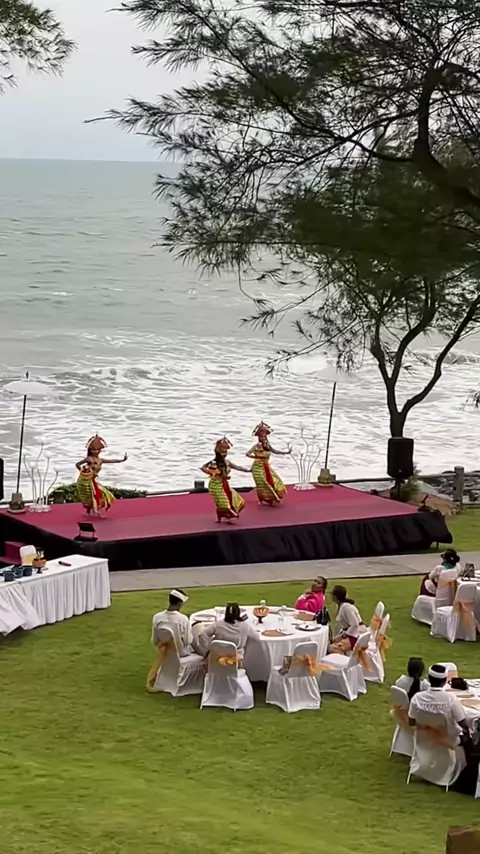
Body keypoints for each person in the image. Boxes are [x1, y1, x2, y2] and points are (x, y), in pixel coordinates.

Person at [408, 663, 470, 747]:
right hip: (449, 741)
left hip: (424, 740)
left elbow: (411, 721)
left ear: (429, 678)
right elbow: (462, 722)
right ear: (445, 680)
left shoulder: (417, 698)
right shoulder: (451, 698)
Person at [201, 437, 251, 522]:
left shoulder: (227, 462)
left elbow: (238, 467)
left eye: (225, 452)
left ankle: (226, 514)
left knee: (233, 498)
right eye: (222, 452)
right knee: (222, 500)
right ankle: (230, 513)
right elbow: (203, 467)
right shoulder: (214, 462)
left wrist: (248, 470)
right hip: (215, 484)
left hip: (224, 483)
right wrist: (211, 472)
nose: (224, 454)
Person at [76, 434, 127, 515]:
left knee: (101, 493)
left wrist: (121, 460)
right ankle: (90, 510)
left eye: (98, 449)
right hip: (85, 480)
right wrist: (84, 471)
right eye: (94, 450)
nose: (96, 451)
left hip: (93, 480)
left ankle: (94, 509)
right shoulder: (89, 459)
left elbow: (111, 461)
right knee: (90, 495)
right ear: (90, 450)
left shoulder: (100, 460)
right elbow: (77, 464)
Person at [246, 421, 291, 505]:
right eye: (262, 437)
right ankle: (268, 498)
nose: (263, 438)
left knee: (275, 480)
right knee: (263, 483)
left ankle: (273, 497)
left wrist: (286, 452)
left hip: (266, 466)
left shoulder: (267, 445)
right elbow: (247, 454)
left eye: (265, 437)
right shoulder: (256, 446)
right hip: (257, 467)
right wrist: (257, 457)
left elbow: (275, 451)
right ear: (259, 438)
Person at [194, 603, 259, 657]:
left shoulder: (218, 624)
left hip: (217, 656)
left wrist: (206, 650)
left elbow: (202, 634)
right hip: (235, 659)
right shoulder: (245, 626)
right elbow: (257, 637)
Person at [152, 589, 192, 656]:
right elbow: (188, 641)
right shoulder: (183, 619)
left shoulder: (157, 617)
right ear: (180, 603)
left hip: (164, 654)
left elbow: (155, 640)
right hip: (181, 655)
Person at [328, 585, 366, 654]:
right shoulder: (341, 606)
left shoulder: (346, 607)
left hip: (355, 636)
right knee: (332, 642)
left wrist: (343, 636)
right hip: (351, 634)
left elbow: (355, 624)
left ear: (336, 597)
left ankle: (343, 658)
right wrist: (339, 637)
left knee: (331, 648)